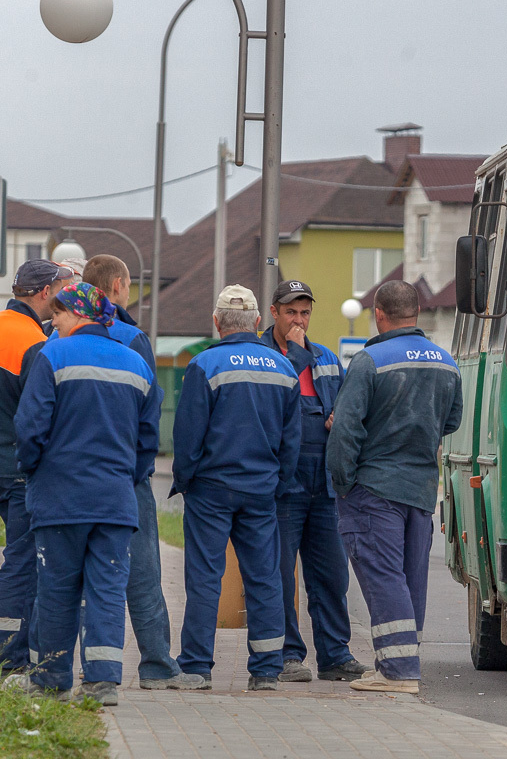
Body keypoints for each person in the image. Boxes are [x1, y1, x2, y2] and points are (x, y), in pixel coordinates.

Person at [14, 282, 162, 706]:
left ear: (78, 314)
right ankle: (102, 682)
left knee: (58, 588)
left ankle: (52, 680)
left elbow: (30, 428)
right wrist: (125, 476)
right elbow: (148, 438)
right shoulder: (136, 363)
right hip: (115, 501)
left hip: (60, 499)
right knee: (108, 588)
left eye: (57, 316)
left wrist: (35, 469)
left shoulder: (53, 355)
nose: (53, 324)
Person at [327, 280, 464, 694]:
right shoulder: (445, 362)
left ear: (379, 314)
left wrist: (342, 484)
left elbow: (345, 431)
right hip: (421, 490)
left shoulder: (369, 361)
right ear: (417, 313)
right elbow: (452, 422)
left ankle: (399, 671)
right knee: (408, 579)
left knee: (384, 576)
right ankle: (396, 661)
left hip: (374, 487)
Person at [81, 255, 206, 690]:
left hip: (70, 477)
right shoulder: (133, 339)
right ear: (117, 286)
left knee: (70, 576)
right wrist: (138, 471)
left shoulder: (56, 336)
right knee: (143, 572)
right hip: (122, 477)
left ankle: (76, 666)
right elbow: (146, 417)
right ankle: (156, 665)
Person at [173, 285, 301, 691]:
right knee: (263, 578)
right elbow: (291, 440)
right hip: (261, 490)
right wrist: (276, 483)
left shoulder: (204, 365)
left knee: (205, 576)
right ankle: (265, 669)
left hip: (210, 489)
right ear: (259, 322)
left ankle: (196, 667)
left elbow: (188, 434)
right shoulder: (283, 368)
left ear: (217, 322)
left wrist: (186, 480)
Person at [0, 258, 74, 680]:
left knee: (19, 556)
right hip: (25, 468)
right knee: (23, 561)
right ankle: (6, 659)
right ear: (45, 293)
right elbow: (40, 415)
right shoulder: (34, 342)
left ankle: (12, 652)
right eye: (62, 289)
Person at [261, 280, 367, 683]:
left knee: (331, 574)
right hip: (283, 483)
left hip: (323, 481)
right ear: (274, 312)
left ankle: (335, 655)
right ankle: (288, 655)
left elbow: (342, 403)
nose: (298, 320)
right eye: (291, 312)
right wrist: (298, 353)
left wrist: (340, 417)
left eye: (304, 313)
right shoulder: (263, 355)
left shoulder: (325, 358)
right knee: (280, 573)